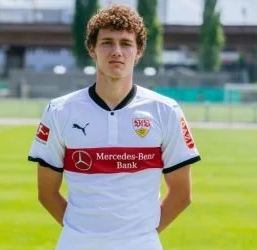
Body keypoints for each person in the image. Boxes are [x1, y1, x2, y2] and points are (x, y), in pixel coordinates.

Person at [28, 4, 201, 250]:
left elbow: (182, 194)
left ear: (139, 51)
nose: (116, 51)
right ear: (92, 49)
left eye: (126, 43)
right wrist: (82, 234)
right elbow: (46, 192)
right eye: (107, 42)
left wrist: (140, 236)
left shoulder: (165, 110)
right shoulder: (59, 110)